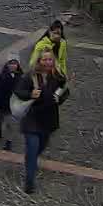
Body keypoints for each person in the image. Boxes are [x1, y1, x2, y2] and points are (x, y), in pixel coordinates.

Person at [13, 48, 68, 194]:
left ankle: (31, 161)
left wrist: (60, 98)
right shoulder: (30, 76)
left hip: (48, 120)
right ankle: (29, 182)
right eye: (45, 59)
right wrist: (30, 93)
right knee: (32, 150)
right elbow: (18, 91)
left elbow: (64, 90)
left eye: (50, 59)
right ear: (39, 61)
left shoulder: (57, 76)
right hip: (32, 119)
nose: (48, 63)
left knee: (40, 147)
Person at [0, 56, 23, 150]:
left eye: (15, 63)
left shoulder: (21, 76)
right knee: (1, 117)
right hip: (3, 102)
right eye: (11, 63)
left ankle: (9, 142)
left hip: (14, 103)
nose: (13, 66)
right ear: (7, 64)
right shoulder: (2, 76)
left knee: (10, 123)